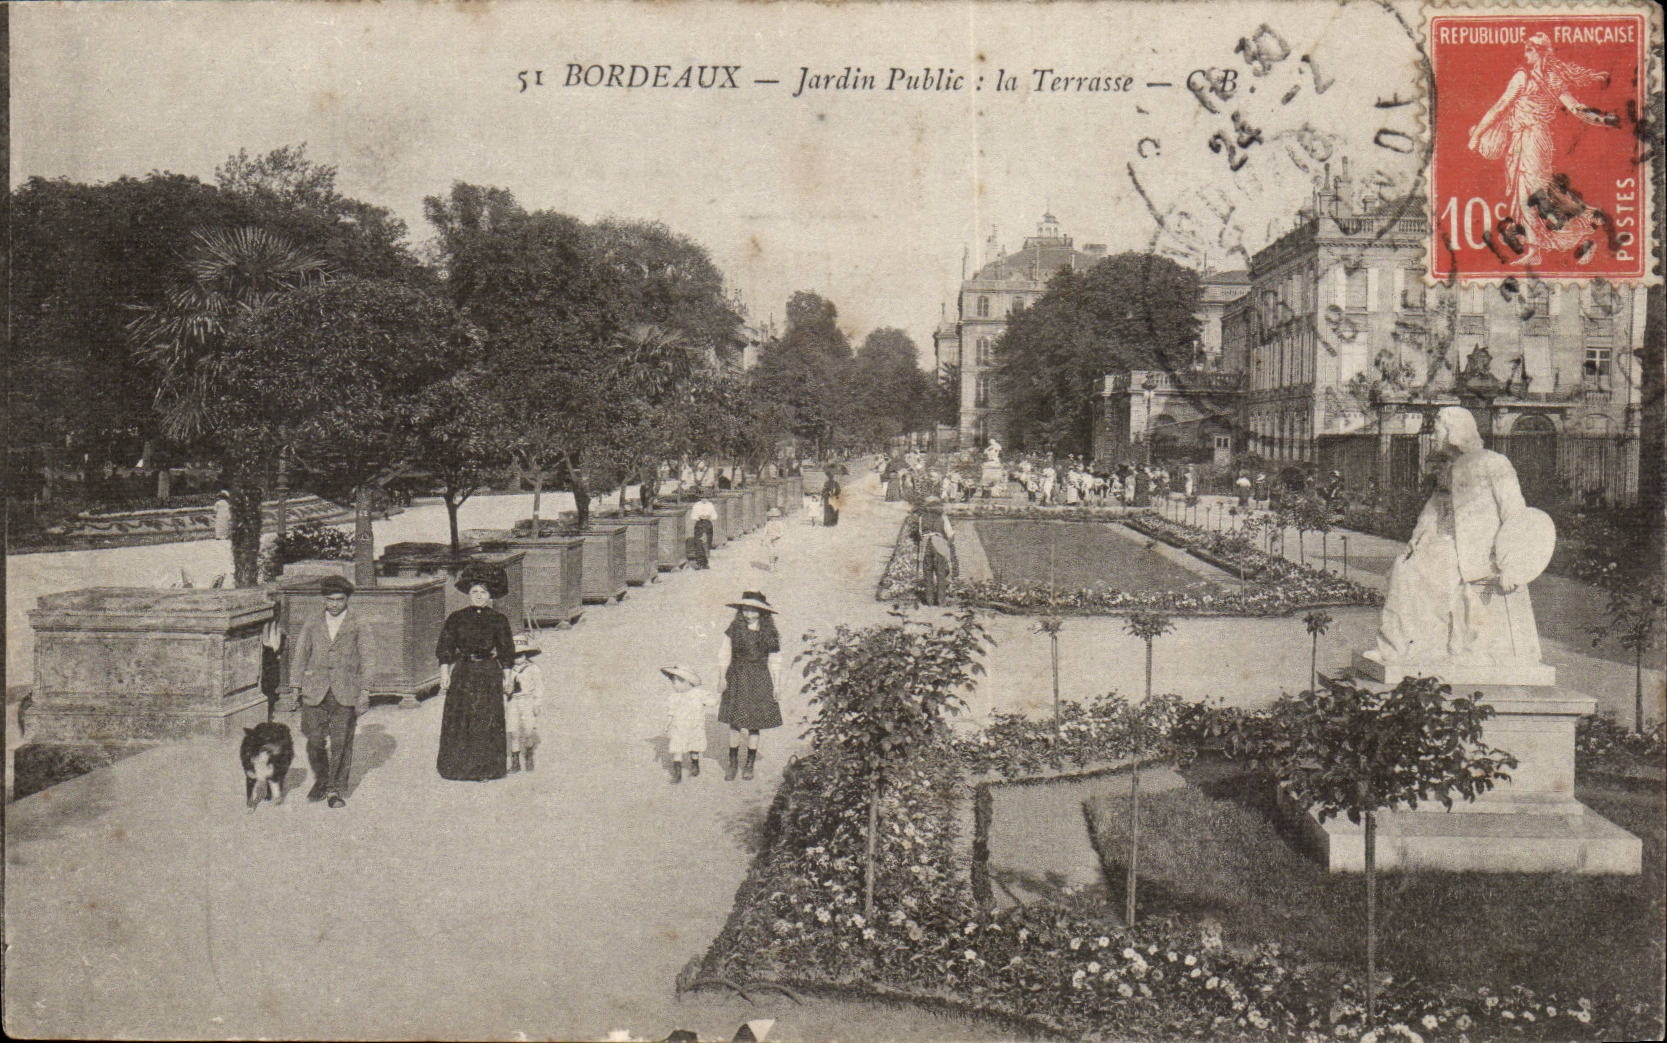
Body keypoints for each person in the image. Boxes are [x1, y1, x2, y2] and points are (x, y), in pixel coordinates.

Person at [1376, 407, 1544, 671]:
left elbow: (1514, 511)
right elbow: (1434, 509)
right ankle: (1407, 647)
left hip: (1483, 550)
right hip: (1448, 543)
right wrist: (1417, 538)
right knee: (1404, 568)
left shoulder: (1493, 463)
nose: (1432, 436)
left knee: (1418, 574)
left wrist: (1512, 562)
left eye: (1436, 429)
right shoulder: (1449, 468)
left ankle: (1418, 648)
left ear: (1454, 432)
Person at [1467, 32, 1619, 267]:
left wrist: (1477, 135)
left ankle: (1583, 236)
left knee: (1536, 198)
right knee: (1529, 197)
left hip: (1533, 140)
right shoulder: (1551, 77)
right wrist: (1600, 119)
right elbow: (1577, 109)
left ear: (1537, 51)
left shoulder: (1524, 77)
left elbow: (1499, 108)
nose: (1525, 54)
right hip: (1527, 141)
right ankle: (1537, 250)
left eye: (1528, 49)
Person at [288, 575, 368, 809]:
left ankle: (335, 789)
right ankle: (322, 779)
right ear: (323, 599)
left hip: (345, 690)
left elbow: (368, 657)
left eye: (339, 600)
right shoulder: (313, 622)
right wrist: (295, 686)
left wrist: (365, 690)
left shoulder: (358, 622)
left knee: (341, 742)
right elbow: (301, 653)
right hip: (315, 688)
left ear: (347, 599)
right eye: (329, 600)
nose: (333, 604)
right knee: (313, 739)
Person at [435, 563, 516, 782]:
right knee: (461, 718)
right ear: (468, 594)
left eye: (483, 592)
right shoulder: (456, 618)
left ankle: (485, 769)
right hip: (464, 672)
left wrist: (507, 677)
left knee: (485, 719)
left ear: (490, 595)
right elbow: (445, 648)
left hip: (488, 672)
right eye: (475, 592)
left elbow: (507, 650)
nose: (479, 596)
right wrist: (445, 674)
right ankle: (457, 768)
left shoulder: (499, 620)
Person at [716, 591, 784, 781]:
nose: (748, 614)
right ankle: (732, 764)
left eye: (753, 611)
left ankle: (749, 765)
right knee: (735, 723)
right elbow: (724, 653)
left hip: (759, 678)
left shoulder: (769, 632)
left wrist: (777, 685)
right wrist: (722, 678)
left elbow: (775, 660)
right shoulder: (735, 628)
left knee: (754, 724)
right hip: (736, 676)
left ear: (762, 613)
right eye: (745, 610)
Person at [661, 664, 717, 784]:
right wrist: (667, 723)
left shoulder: (698, 694)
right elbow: (671, 712)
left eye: (676, 682)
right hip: (678, 727)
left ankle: (695, 764)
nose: (674, 685)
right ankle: (677, 773)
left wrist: (713, 700)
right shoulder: (674, 697)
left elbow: (712, 701)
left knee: (694, 747)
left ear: (686, 682)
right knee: (677, 749)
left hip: (694, 727)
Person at [504, 633, 544, 773]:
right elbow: (503, 685)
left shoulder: (533, 669)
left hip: (527, 700)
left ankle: (529, 755)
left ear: (526, 654)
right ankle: (515, 762)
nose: (518, 659)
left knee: (528, 730)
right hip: (513, 701)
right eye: (514, 656)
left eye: (521, 655)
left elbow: (539, 687)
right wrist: (507, 687)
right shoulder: (507, 671)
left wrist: (537, 703)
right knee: (513, 731)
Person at [915, 497, 955, 606]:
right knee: (941, 572)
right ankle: (941, 600)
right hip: (938, 544)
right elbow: (950, 534)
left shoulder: (922, 517)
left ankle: (929, 600)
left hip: (926, 544)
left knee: (928, 572)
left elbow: (920, 532)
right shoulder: (943, 517)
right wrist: (948, 543)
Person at [688, 496, 717, 569]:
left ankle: (705, 562)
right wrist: (699, 516)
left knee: (707, 543)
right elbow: (693, 516)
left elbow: (714, 516)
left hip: (708, 524)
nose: (704, 499)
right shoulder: (697, 505)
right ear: (700, 498)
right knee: (698, 543)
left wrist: (708, 516)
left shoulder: (710, 505)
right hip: (699, 524)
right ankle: (699, 562)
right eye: (702, 497)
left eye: (706, 497)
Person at [764, 506, 785, 572]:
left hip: (777, 540)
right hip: (769, 539)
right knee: (771, 552)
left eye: (775, 516)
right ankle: (772, 566)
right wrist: (763, 538)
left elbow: (782, 532)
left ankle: (775, 564)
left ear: (778, 517)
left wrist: (777, 536)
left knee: (776, 553)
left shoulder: (780, 523)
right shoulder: (768, 523)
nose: (773, 518)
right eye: (772, 517)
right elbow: (765, 531)